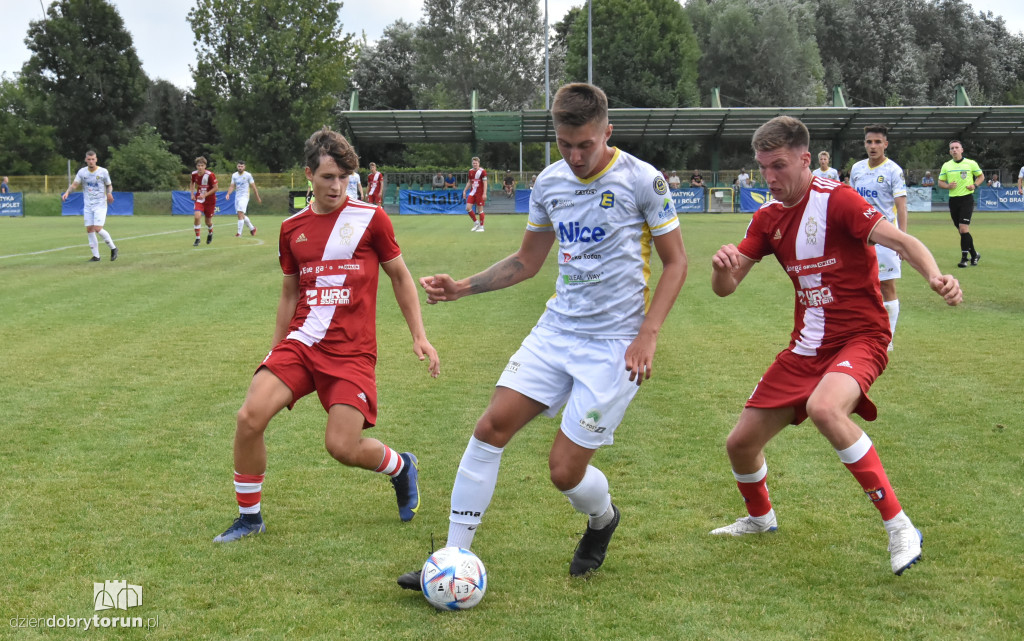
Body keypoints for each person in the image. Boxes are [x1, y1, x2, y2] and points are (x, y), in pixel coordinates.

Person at [396, 82, 687, 588]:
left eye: (585, 145)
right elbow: (527, 262)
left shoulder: (643, 180)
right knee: (490, 428)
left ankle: (603, 520)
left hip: (615, 345)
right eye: (565, 144)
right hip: (556, 332)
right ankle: (450, 559)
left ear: (607, 132)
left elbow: (677, 263)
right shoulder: (551, 183)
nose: (574, 156)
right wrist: (461, 288)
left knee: (563, 472)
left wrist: (648, 334)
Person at [708, 115, 962, 576]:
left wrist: (936, 277)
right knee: (741, 444)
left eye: (779, 165)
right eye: (763, 167)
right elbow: (726, 288)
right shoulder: (767, 217)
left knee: (827, 409)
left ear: (806, 160)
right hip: (806, 348)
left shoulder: (839, 200)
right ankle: (760, 519)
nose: (769, 177)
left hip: (862, 337)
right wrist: (722, 267)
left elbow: (903, 241)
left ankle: (900, 526)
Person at [212, 126, 441, 543]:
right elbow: (289, 293)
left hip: (352, 353)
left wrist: (419, 336)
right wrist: (277, 347)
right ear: (308, 175)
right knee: (249, 417)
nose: (336, 186)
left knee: (341, 446)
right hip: (301, 343)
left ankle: (402, 467)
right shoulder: (291, 228)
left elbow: (401, 277)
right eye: (327, 177)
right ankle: (249, 518)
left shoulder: (371, 219)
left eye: (343, 177)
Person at [850, 125, 907, 351]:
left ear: (885, 144)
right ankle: (861, 332)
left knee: (886, 286)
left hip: (885, 237)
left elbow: (901, 208)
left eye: (877, 142)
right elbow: (851, 202)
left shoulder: (894, 170)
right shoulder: (857, 169)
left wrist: (901, 240)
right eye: (868, 142)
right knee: (857, 285)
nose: (872, 146)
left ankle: (887, 338)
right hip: (858, 237)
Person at [62, 150, 119, 262]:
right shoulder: (82, 172)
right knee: (89, 229)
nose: (91, 161)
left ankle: (113, 248)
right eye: (89, 159)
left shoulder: (103, 172)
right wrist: (67, 192)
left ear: (96, 159)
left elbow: (109, 185)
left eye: (93, 159)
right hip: (88, 205)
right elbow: (74, 185)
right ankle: (96, 256)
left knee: (98, 228)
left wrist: (109, 193)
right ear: (86, 160)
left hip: (100, 204)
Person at [937, 140, 984, 268]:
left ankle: (964, 259)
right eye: (952, 148)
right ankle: (974, 254)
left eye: (957, 147)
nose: (954, 150)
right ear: (949, 151)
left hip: (966, 199)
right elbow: (940, 182)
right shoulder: (947, 165)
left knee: (963, 229)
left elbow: (981, 176)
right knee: (962, 232)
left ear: (962, 150)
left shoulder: (970, 163)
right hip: (953, 200)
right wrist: (948, 186)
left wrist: (974, 185)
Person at [224, 161, 261, 237]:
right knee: (241, 214)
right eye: (239, 166)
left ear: (244, 167)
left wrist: (257, 197)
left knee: (240, 213)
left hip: (244, 196)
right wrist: (228, 194)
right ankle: (252, 228)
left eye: (242, 166)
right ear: (237, 167)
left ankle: (239, 233)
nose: (240, 168)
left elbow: (253, 187)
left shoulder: (248, 175)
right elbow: (232, 186)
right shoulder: (234, 175)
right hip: (237, 197)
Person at [191, 156, 218, 246]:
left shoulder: (210, 175)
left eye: (202, 165)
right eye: (198, 165)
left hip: (210, 200)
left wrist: (205, 195)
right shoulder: (194, 174)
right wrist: (192, 194)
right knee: (197, 216)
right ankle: (197, 238)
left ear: (205, 166)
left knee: (208, 222)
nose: (200, 167)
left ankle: (210, 232)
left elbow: (216, 188)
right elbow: (192, 182)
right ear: (196, 166)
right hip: (199, 199)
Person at [463, 156, 487, 232]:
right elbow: (469, 182)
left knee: (480, 210)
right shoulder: (470, 171)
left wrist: (484, 193)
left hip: (480, 193)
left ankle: (482, 227)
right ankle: (476, 223)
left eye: (476, 163)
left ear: (478, 163)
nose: (475, 164)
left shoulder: (482, 171)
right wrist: (464, 191)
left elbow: (485, 182)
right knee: (468, 208)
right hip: (472, 192)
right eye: (473, 163)